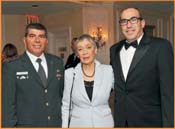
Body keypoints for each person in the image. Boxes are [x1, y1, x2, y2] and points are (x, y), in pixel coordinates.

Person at [110, 7, 174, 127]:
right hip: (121, 121)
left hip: (150, 121)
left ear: (142, 23)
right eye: (124, 21)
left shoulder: (161, 46)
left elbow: (168, 93)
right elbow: (115, 84)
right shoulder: (114, 50)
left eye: (133, 20)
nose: (128, 25)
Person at [2, 23, 64, 127]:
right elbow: (7, 106)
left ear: (46, 41)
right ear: (24, 40)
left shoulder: (57, 62)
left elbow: (61, 96)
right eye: (32, 36)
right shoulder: (12, 66)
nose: (37, 40)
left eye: (41, 36)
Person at [62, 34, 114, 127]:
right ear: (77, 54)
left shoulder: (108, 71)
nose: (84, 52)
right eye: (80, 49)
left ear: (95, 50)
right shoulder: (69, 74)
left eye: (88, 47)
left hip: (104, 124)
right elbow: (66, 106)